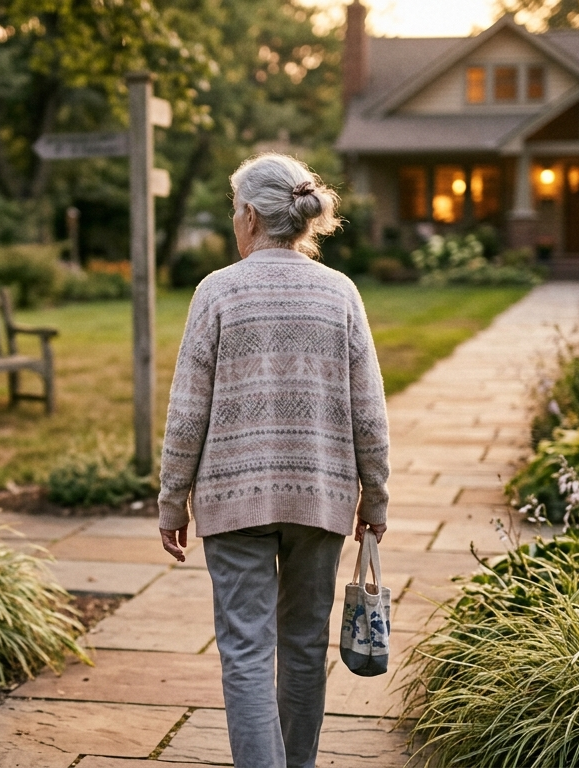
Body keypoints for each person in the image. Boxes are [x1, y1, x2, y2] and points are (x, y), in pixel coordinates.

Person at [157, 153, 391, 768]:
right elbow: (369, 408)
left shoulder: (218, 291)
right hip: (321, 496)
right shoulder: (339, 292)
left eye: (236, 211)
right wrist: (377, 496)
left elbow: (188, 411)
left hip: (233, 499)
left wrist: (171, 500)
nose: (235, 221)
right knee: (305, 647)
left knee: (245, 652)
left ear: (253, 217)